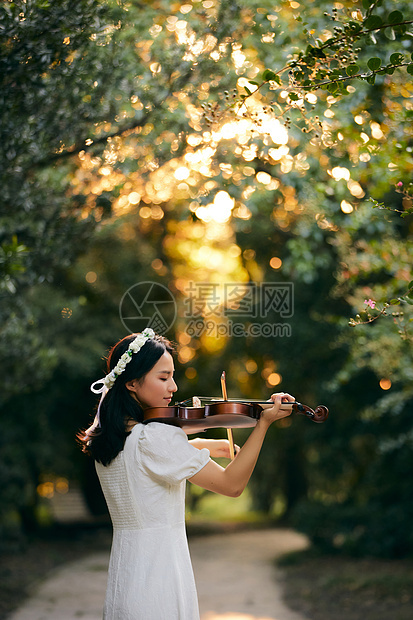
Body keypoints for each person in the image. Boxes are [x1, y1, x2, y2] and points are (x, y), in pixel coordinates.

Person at [78, 328, 294, 620]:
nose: (174, 387)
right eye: (163, 377)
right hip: (160, 579)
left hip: (126, 578)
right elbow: (231, 485)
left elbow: (149, 460)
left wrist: (207, 444)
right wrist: (263, 424)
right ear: (131, 383)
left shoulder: (110, 439)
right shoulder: (154, 438)